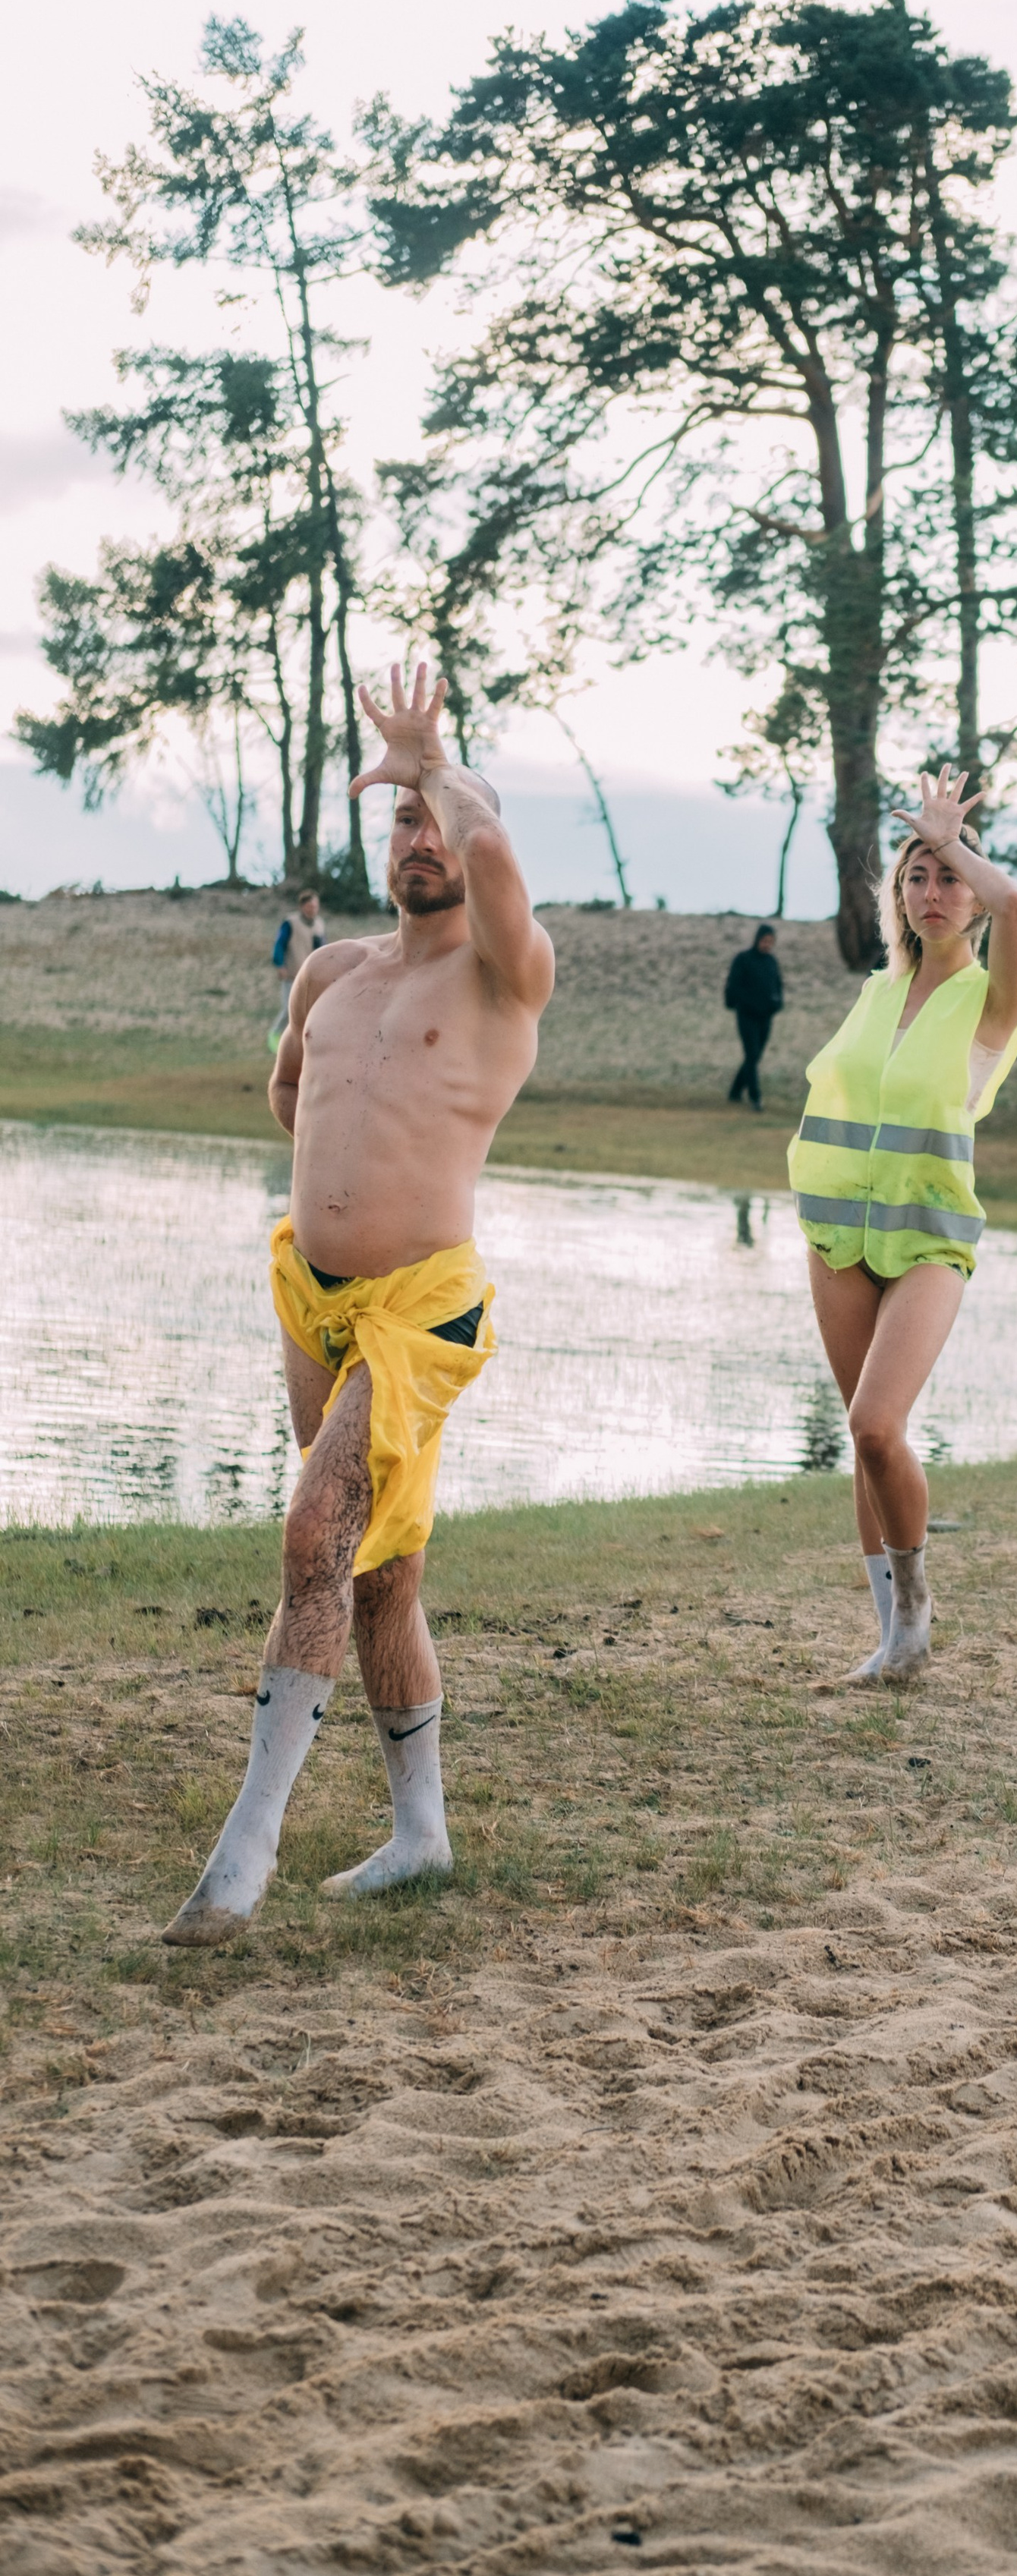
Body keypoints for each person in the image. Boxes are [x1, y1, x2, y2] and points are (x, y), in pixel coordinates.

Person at [163, 665, 556, 1945]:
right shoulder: (330, 970)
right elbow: (293, 1097)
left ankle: (244, 1855)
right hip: (311, 1301)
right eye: (403, 818)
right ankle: (421, 1837)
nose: (423, 836)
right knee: (376, 1574)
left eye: (441, 819)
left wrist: (434, 763)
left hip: (426, 1310)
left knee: (314, 1528)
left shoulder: (508, 976)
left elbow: (490, 851)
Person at [789, 769, 1017, 1683]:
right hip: (837, 1235)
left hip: (929, 1237)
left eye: (949, 878)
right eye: (918, 877)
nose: (933, 893)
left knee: (879, 1424)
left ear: (971, 896)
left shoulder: (991, 1000)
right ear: (900, 894)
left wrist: (952, 835)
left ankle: (919, 1604)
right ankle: (894, 1638)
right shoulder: (873, 991)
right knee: (862, 1442)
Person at [725, 922, 784, 1110]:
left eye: (771, 941)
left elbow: (777, 986)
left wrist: (776, 1004)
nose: (767, 944)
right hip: (747, 1015)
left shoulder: (771, 962)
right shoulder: (743, 959)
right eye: (765, 940)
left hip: (765, 1016)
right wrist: (747, 1003)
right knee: (751, 1054)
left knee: (756, 1055)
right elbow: (734, 986)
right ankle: (755, 1097)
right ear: (757, 939)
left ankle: (735, 1091)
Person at [270, 888, 325, 1042]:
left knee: (310, 1011)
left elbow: (321, 949)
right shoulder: (290, 923)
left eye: (315, 906)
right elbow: (279, 944)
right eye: (309, 906)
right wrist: (280, 964)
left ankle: (302, 1042)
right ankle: (275, 1035)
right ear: (302, 907)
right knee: (289, 1010)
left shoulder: (319, 925)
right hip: (292, 974)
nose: (312, 910)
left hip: (310, 977)